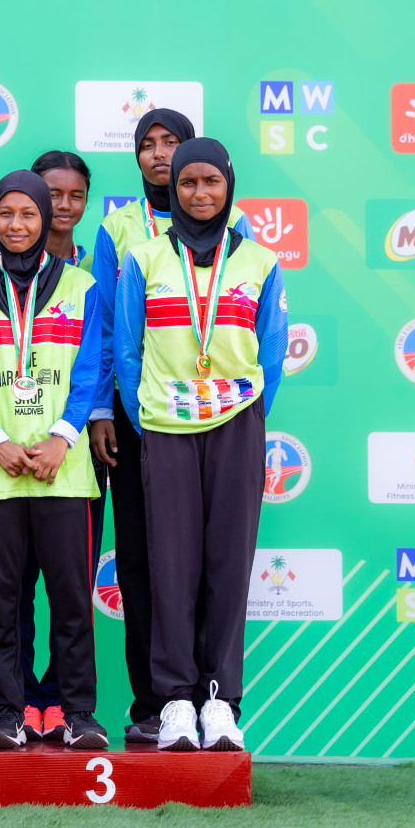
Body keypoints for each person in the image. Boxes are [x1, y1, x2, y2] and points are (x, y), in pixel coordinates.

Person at [86, 108, 252, 744]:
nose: (160, 156)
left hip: (220, 420)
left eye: (171, 144)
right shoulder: (120, 228)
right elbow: (109, 331)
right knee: (146, 560)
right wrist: (111, 410)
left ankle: (214, 697)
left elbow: (260, 343)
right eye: (148, 146)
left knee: (213, 559)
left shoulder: (240, 234)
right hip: (142, 418)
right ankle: (153, 701)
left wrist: (240, 411)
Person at [113, 138, 286, 751]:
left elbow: (272, 353)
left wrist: (242, 415)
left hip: (237, 426)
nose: (200, 193)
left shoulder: (261, 262)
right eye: (188, 183)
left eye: (211, 181)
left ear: (229, 186)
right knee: (172, 568)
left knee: (228, 566)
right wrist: (151, 417)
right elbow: (128, 352)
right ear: (174, 189)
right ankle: (176, 701)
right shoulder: (144, 257)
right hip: (163, 429)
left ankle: (221, 702)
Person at [0, 171, 107, 750]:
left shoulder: (82, 288)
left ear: (47, 220)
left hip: (64, 470)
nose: (16, 225)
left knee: (70, 600)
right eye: (6, 214)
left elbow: (90, 370)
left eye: (28, 215)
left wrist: (64, 438)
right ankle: (8, 714)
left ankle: (77, 712)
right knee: (1, 603)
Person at [0, 149, 103, 742]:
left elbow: (98, 360)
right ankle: (18, 707)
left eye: (72, 197)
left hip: (74, 453)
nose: (58, 208)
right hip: (3, 462)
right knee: (10, 595)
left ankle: (67, 706)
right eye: (47, 197)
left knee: (69, 588)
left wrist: (69, 434)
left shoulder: (90, 276)